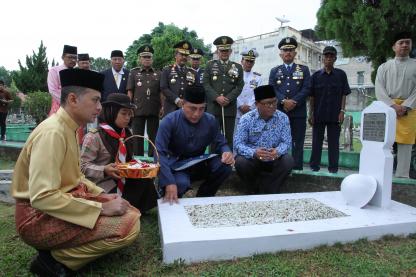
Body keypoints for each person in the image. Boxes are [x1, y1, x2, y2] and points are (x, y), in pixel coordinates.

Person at [11, 69, 140, 276]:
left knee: (130, 211)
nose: (99, 108)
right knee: (128, 227)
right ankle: (54, 260)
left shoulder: (69, 127)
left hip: (63, 201)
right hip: (37, 218)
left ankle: (61, 250)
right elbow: (42, 197)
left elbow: (76, 176)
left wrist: (100, 194)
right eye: (96, 100)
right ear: (72, 99)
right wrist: (100, 209)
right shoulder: (53, 132)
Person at [155, 85, 234, 204]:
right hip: (176, 166)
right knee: (180, 183)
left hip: (198, 163)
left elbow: (221, 142)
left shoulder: (210, 120)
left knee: (225, 166)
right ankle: (167, 194)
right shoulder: (169, 121)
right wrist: (169, 181)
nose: (197, 114)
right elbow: (159, 153)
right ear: (183, 104)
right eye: (192, 108)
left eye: (201, 109)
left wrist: (226, 151)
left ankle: (203, 197)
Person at [81, 93, 158, 212]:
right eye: (123, 113)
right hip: (103, 183)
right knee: (129, 192)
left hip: (123, 177)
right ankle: (125, 208)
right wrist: (104, 170)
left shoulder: (127, 133)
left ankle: (139, 209)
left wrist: (140, 166)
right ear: (111, 112)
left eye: (129, 114)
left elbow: (128, 160)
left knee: (144, 179)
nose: (128, 118)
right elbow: (82, 166)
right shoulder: (94, 137)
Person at [234, 85, 294, 194]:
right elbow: (238, 144)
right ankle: (253, 190)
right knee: (240, 162)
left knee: (288, 161)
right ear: (257, 104)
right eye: (267, 103)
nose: (272, 106)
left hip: (274, 158)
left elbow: (286, 142)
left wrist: (277, 151)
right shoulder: (246, 119)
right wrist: (254, 152)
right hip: (254, 159)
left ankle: (271, 191)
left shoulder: (283, 118)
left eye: (274, 102)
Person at [375, 32, 416, 178]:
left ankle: (402, 176)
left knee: (406, 145)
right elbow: (379, 90)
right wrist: (393, 106)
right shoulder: (384, 67)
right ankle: (381, 175)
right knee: (384, 142)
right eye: (401, 42)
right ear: (394, 47)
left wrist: (406, 106)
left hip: (409, 110)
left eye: (407, 42)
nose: (405, 45)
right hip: (388, 109)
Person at [269, 37, 310, 170]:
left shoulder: (303, 70)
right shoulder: (275, 71)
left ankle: (297, 168)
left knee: (298, 141)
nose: (288, 53)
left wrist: (294, 101)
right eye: (285, 50)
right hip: (280, 112)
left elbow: (307, 88)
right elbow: (272, 88)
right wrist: (283, 101)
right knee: (278, 141)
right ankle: (279, 167)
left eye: (291, 50)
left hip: (298, 112)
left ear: (295, 53)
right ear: (280, 53)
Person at [308, 46, 351, 173]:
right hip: (319, 114)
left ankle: (333, 169)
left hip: (335, 114)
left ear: (335, 58)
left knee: (334, 143)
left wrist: (342, 112)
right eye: (326, 56)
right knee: (316, 142)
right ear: (323, 58)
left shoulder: (341, 75)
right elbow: (312, 97)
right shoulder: (315, 76)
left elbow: (344, 93)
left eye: (331, 56)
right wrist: (311, 114)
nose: (329, 59)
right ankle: (314, 167)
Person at [203, 36, 244, 149]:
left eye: (227, 50)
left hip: (229, 107)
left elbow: (240, 85)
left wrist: (229, 98)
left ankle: (228, 164)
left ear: (230, 51)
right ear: (217, 51)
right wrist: (217, 97)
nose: (224, 53)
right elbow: (206, 84)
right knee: (213, 137)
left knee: (228, 137)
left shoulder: (238, 67)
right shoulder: (210, 65)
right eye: (222, 50)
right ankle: (213, 162)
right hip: (214, 107)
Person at [127, 45, 162, 156]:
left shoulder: (158, 73)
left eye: (149, 57)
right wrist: (129, 107)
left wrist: (162, 107)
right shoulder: (133, 73)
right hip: (137, 109)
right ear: (140, 59)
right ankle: (138, 159)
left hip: (154, 109)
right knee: (137, 137)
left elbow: (161, 92)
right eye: (144, 57)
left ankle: (153, 160)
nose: (147, 59)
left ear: (152, 59)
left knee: (154, 136)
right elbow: (130, 91)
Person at [160, 40, 197, 116]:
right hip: (170, 108)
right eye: (181, 54)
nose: (184, 57)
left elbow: (197, 89)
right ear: (175, 55)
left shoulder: (193, 72)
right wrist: (176, 100)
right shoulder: (167, 70)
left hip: (188, 109)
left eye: (186, 55)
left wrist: (187, 101)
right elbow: (163, 87)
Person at [235, 49, 262, 130]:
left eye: (251, 61)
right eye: (247, 60)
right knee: (235, 136)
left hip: (251, 111)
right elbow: (232, 91)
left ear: (254, 63)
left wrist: (250, 106)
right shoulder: (234, 75)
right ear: (242, 61)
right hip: (236, 111)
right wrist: (239, 105)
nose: (249, 63)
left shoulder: (258, 77)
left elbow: (258, 94)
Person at [47, 44, 77, 116]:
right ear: (63, 57)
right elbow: (53, 90)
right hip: (59, 108)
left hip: (75, 108)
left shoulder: (78, 73)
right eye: (69, 57)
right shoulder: (54, 70)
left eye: (75, 58)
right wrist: (67, 103)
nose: (73, 60)